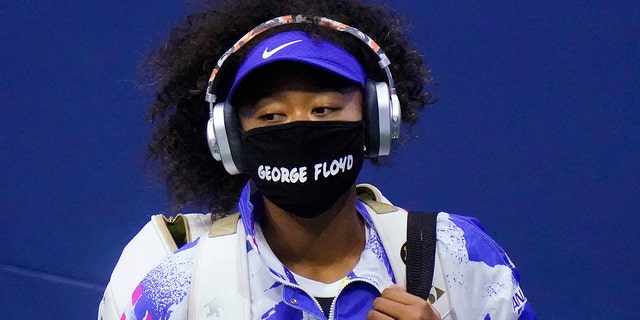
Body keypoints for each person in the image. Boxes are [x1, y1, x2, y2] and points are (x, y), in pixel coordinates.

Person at [99, 0, 536, 319]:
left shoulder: (457, 257)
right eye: (271, 115)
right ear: (231, 140)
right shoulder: (177, 291)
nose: (299, 127)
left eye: (324, 109)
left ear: (376, 120)